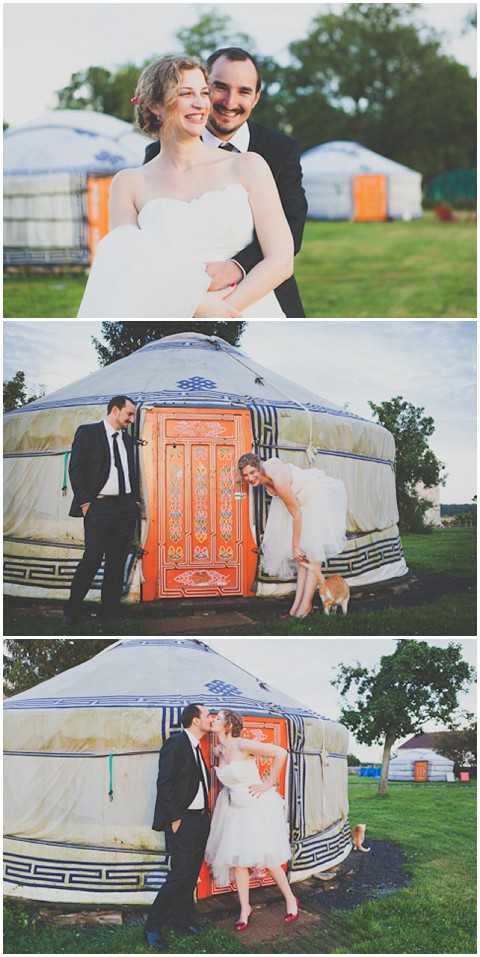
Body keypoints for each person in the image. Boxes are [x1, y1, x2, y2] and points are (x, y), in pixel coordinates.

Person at [78, 53, 296, 319]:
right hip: (167, 315)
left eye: (204, 93)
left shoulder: (248, 166)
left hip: (249, 311)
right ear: (155, 105)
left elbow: (281, 260)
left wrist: (222, 312)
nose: (201, 104)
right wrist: (194, 307)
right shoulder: (128, 183)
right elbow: (128, 268)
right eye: (186, 94)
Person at [144, 47, 308, 319]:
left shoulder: (280, 150)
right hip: (181, 302)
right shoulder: (156, 155)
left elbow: (293, 227)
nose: (230, 102)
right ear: (203, 88)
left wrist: (237, 267)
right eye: (220, 88)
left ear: (256, 98)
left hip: (265, 294)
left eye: (244, 91)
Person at [205, 709, 298, 931]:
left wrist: (268, 783)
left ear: (228, 725)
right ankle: (244, 908)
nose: (213, 719)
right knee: (238, 861)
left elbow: (280, 753)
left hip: (255, 807)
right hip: (232, 809)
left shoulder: (241, 744)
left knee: (269, 858)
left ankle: (291, 899)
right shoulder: (219, 750)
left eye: (217, 718)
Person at [238, 453, 347, 618]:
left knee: (312, 553)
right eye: (246, 475)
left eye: (253, 472)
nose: (250, 478)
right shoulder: (266, 475)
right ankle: (295, 608)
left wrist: (295, 546)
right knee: (301, 560)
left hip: (313, 497)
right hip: (297, 505)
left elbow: (296, 512)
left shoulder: (278, 481)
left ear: (260, 468)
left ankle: (305, 606)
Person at [64, 395, 139, 626]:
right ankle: (73, 610)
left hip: (124, 507)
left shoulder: (126, 440)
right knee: (93, 558)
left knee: (117, 561)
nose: (132, 419)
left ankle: (110, 611)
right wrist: (86, 504)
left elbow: (129, 471)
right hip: (99, 506)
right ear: (115, 411)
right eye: (129, 414)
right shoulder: (88, 433)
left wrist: (134, 501)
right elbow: (75, 469)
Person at [146, 704, 213, 951]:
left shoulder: (197, 749)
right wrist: (175, 818)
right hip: (182, 821)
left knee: (190, 874)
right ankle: (152, 927)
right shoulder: (176, 743)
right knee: (178, 877)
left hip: (199, 820)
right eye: (207, 715)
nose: (211, 719)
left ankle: (182, 920)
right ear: (195, 720)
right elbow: (164, 783)